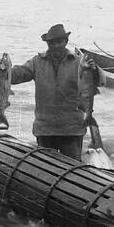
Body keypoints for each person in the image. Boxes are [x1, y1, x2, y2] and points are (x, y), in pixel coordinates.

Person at [9, 24, 103, 160]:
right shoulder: (37, 62)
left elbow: (100, 81)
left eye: (59, 41)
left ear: (66, 41)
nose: (56, 45)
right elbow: (17, 76)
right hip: (45, 129)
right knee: (45, 171)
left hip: (72, 129)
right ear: (47, 44)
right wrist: (5, 71)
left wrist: (94, 70)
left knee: (71, 172)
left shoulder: (78, 63)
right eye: (52, 42)